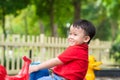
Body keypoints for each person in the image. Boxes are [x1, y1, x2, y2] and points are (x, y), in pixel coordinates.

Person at [29, 19, 96, 80]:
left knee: (37, 69)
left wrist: (37, 67)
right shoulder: (82, 50)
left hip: (61, 78)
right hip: (62, 77)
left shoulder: (76, 49)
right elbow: (70, 66)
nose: (70, 37)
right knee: (36, 65)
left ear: (86, 39)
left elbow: (56, 61)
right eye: (70, 34)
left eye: (75, 35)